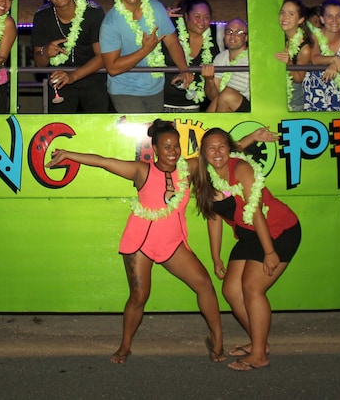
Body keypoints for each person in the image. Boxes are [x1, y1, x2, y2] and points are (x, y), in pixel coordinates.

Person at [45, 119, 225, 364]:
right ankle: (125, 346)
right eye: (167, 147)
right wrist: (68, 154)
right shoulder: (143, 171)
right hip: (140, 242)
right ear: (156, 150)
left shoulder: (188, 168)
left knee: (204, 285)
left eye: (176, 146)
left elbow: (217, 156)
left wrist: (250, 139)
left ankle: (218, 342)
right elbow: (104, 162)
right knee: (139, 296)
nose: (172, 152)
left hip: (172, 244)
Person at [191, 128, 301, 371]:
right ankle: (260, 342)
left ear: (229, 148)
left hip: (278, 229)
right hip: (248, 235)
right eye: (211, 147)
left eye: (222, 146)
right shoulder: (205, 175)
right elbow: (214, 218)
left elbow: (257, 211)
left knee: (252, 287)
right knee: (231, 290)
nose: (217, 152)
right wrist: (215, 256)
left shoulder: (241, 168)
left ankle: (259, 354)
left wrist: (270, 252)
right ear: (204, 153)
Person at [100, 0, 192, 113]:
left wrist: (184, 69)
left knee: (153, 134)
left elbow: (172, 42)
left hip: (155, 87)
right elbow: (112, 68)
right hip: (125, 89)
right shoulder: (110, 22)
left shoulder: (156, 8)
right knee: (140, 134)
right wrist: (146, 50)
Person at [32, 0, 108, 113]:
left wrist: (73, 76)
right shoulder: (42, 16)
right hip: (59, 80)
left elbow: (102, 56)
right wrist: (45, 52)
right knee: (59, 127)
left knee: (96, 126)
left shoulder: (93, 12)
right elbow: (39, 61)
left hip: (92, 76)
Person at [163, 0, 219, 112]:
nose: (202, 22)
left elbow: (213, 93)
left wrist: (209, 79)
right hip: (161, 103)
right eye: (197, 17)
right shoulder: (170, 33)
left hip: (192, 107)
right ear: (186, 16)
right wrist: (160, 16)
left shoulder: (213, 45)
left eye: (206, 17)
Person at [304, 0, 340, 111]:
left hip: (338, 93)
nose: (334, 20)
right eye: (329, 16)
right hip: (315, 91)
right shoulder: (314, 35)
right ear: (322, 19)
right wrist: (335, 59)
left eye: (338, 16)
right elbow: (315, 59)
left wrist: (335, 64)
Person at [274, 0, 315, 112]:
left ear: (300, 19)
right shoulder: (276, 39)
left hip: (294, 103)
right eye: (282, 12)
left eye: (291, 14)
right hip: (274, 98)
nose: (285, 17)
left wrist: (289, 63)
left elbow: (299, 78)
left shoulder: (305, 48)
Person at [202, 18, 250, 112]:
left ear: (246, 37)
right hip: (226, 104)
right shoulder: (221, 57)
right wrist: (209, 80)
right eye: (229, 31)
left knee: (227, 95)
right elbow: (214, 97)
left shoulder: (250, 58)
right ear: (224, 35)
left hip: (250, 108)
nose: (232, 36)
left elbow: (227, 94)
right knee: (223, 96)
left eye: (238, 32)